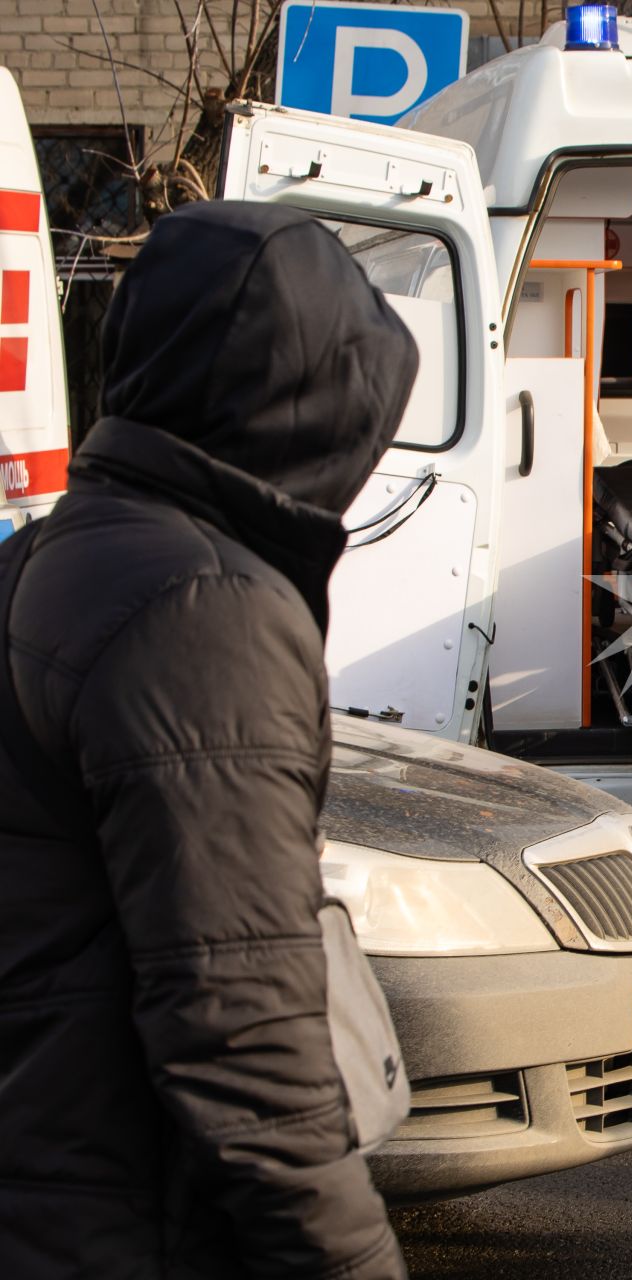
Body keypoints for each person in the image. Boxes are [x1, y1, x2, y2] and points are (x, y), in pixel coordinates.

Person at [0, 205, 415, 1276]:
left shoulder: (60, 555)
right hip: (133, 1220)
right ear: (318, 413)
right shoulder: (202, 610)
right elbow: (242, 1032)